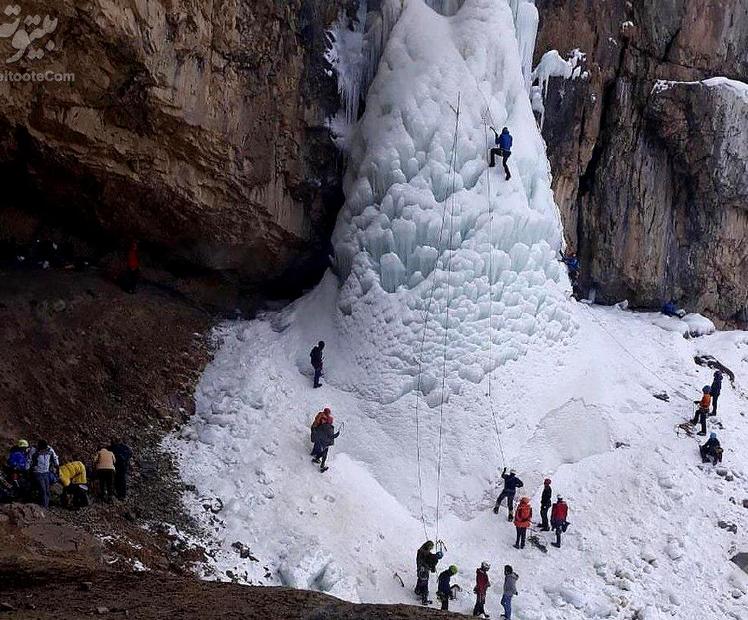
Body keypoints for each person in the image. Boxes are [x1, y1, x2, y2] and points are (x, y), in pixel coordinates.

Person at [29, 440, 59, 508]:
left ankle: (45, 505)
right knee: (43, 489)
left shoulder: (49, 450)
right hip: (37, 472)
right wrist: (27, 468)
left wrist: (56, 464)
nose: (43, 450)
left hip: (46, 472)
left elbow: (55, 457)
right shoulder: (33, 450)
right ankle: (43, 506)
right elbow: (29, 459)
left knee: (47, 490)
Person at [415, 541, 443, 605]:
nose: (431, 549)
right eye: (431, 548)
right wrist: (430, 566)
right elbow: (424, 561)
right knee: (425, 584)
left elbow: (428, 556)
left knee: (420, 580)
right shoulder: (424, 552)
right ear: (428, 546)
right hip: (423, 570)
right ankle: (424, 600)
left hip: (421, 569)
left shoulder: (422, 550)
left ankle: (418, 590)